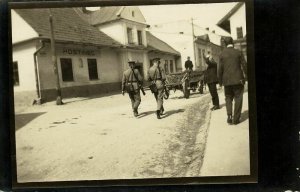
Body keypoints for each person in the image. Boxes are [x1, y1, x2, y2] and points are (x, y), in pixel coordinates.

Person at [218, 37, 247, 125]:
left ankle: (229, 116)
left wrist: (220, 82)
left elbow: (220, 70)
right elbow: (245, 66)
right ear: (232, 43)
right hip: (238, 80)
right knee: (238, 98)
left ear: (225, 44)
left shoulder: (221, 54)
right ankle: (236, 119)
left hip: (227, 81)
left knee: (228, 97)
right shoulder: (238, 52)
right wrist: (247, 78)